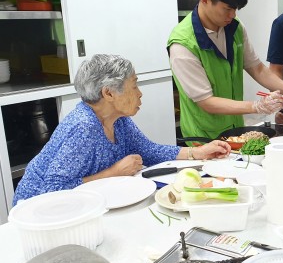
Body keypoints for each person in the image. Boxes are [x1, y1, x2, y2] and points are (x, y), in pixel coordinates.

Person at [13, 54, 230, 203]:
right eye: (134, 85)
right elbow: (52, 191)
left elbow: (148, 150)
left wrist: (197, 152)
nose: (140, 93)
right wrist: (113, 173)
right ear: (108, 93)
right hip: (37, 212)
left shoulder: (118, 119)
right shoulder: (83, 128)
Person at [168, 0, 283, 140]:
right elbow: (207, 102)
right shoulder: (183, 44)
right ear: (205, 0)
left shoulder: (234, 27)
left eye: (236, 9)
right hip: (204, 137)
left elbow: (258, 69)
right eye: (227, 9)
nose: (233, 15)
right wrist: (256, 106)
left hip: (235, 130)